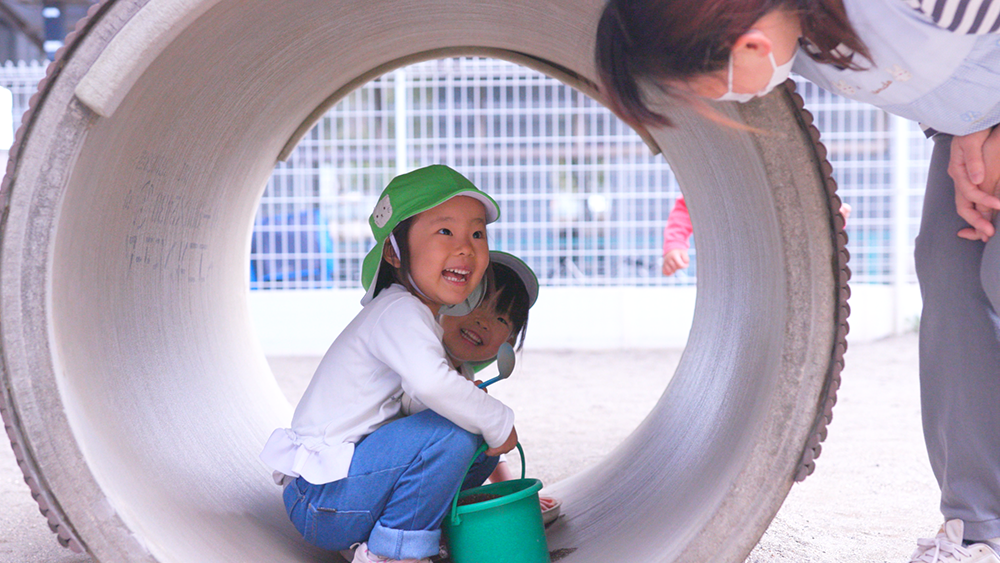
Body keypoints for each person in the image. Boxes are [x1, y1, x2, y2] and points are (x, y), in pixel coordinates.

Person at [595, 1, 1000, 560]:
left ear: (749, 46)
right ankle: (982, 529)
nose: (720, 104)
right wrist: (965, 130)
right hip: (974, 127)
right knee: (950, 275)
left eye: (709, 90)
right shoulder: (800, 36)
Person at [259, 165, 518, 563]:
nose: (466, 248)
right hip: (324, 497)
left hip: (344, 492)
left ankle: (415, 531)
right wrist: (498, 419)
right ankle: (392, 551)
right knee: (459, 431)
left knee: (472, 434)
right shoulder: (398, 310)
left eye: (477, 233)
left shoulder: (418, 319)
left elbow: (423, 403)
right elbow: (432, 388)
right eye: (445, 231)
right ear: (395, 251)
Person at [404, 251, 560, 521]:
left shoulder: (461, 373)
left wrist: (507, 493)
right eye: (475, 303)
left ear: (508, 343)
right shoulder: (420, 355)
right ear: (445, 302)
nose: (482, 321)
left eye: (501, 319)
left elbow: (486, 445)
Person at [661, 196, 852, 276]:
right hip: (734, 262)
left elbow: (807, 203)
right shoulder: (718, 175)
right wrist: (675, 244)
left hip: (779, 257)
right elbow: (687, 206)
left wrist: (831, 218)